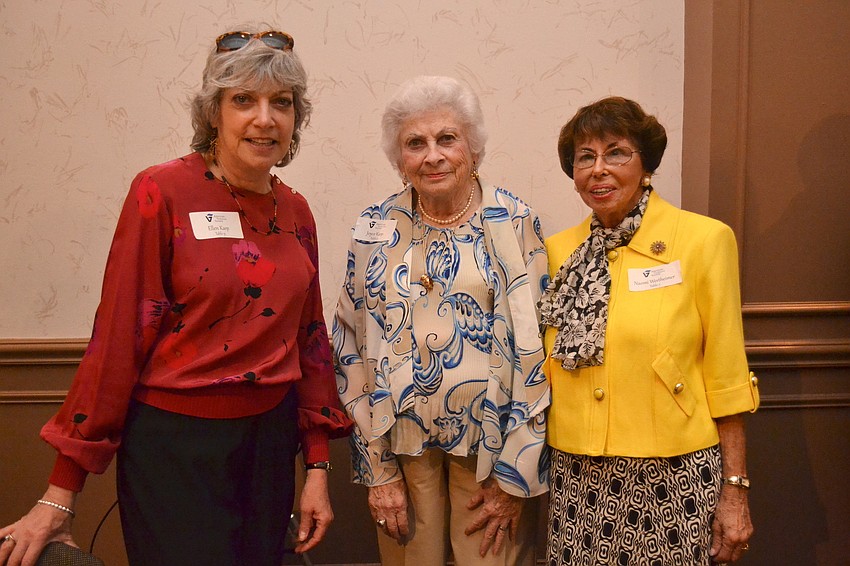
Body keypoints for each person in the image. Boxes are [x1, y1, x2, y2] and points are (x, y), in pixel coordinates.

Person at [0, 29, 351, 566]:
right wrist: (60, 493)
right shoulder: (161, 192)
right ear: (213, 112)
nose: (265, 118)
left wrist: (318, 469)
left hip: (270, 446)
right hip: (175, 446)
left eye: (282, 102)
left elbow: (311, 342)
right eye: (243, 100)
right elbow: (118, 338)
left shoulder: (296, 210)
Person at [333, 75, 550, 566]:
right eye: (415, 143)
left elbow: (540, 352)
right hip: (402, 451)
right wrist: (377, 471)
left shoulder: (513, 221)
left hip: (492, 452)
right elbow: (348, 343)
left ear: (472, 148)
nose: (432, 155)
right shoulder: (375, 228)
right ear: (398, 159)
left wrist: (516, 474)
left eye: (446, 139)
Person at [539, 96, 760, 565]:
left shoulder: (703, 241)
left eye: (616, 152)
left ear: (646, 164)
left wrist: (735, 490)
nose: (599, 170)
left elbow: (727, 375)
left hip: (674, 475)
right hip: (578, 475)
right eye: (585, 157)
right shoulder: (557, 252)